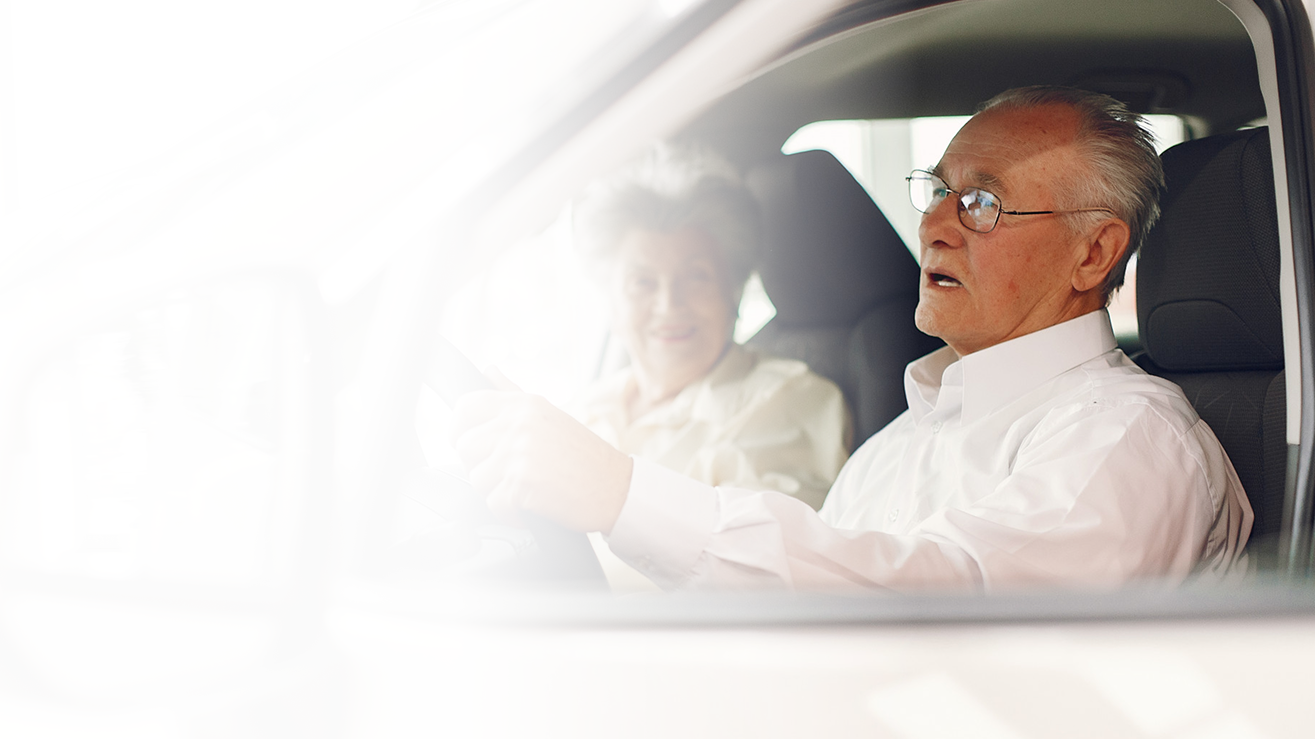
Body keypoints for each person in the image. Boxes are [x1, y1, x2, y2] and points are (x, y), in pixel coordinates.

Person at [450, 86, 1252, 592]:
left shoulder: (1131, 437)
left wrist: (622, 496)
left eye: (981, 203)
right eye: (937, 191)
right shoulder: (896, 445)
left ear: (1094, 252)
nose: (934, 223)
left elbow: (956, 603)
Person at [569, 145, 852, 512]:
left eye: (696, 277)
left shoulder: (787, 402)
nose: (669, 305)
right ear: (611, 299)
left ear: (733, 289)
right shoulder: (590, 407)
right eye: (642, 282)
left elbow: (762, 554)